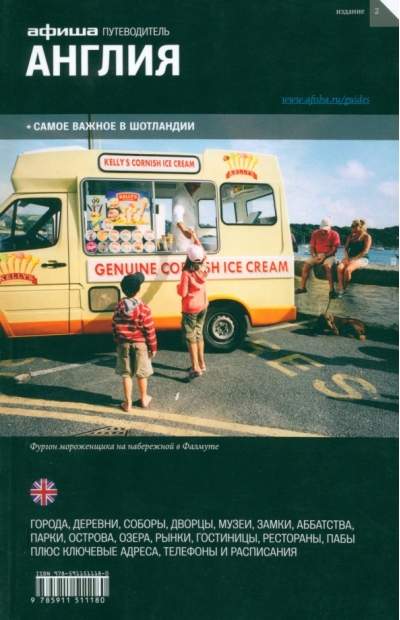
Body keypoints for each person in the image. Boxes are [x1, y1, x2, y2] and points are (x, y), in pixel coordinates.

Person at [112, 272, 157, 411]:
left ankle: (128, 403)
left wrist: (117, 343)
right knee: (142, 374)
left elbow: (114, 327)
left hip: (124, 344)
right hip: (141, 345)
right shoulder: (144, 308)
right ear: (139, 289)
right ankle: (144, 399)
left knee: (127, 374)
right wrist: (153, 347)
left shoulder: (118, 308)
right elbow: (150, 330)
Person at [177, 231, 209, 381]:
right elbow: (201, 251)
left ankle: (195, 367)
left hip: (190, 309)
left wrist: (177, 287)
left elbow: (182, 292)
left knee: (191, 338)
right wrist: (195, 237)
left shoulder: (186, 273)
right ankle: (202, 363)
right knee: (199, 334)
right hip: (203, 306)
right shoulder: (204, 267)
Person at [295, 218, 340, 299]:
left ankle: (332, 290)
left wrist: (325, 256)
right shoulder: (315, 233)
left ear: (331, 227)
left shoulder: (335, 234)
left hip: (329, 255)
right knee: (305, 266)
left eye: (326, 229)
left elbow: (334, 249)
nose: (324, 231)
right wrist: (314, 257)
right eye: (323, 229)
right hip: (317, 254)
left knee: (328, 267)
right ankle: (302, 287)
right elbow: (312, 246)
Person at [336, 219, 372, 298]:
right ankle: (341, 290)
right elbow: (345, 248)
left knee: (348, 270)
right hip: (350, 257)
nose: (351, 227)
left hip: (362, 258)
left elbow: (365, 251)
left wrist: (354, 259)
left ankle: (342, 290)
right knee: (339, 268)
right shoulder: (351, 236)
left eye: (353, 226)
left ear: (359, 227)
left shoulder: (366, 237)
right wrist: (347, 257)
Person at [171, 182, 201, 251]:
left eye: (198, 187)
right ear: (188, 182)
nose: (195, 188)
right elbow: (177, 214)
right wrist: (184, 231)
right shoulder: (181, 196)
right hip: (182, 241)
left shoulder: (189, 194)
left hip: (188, 240)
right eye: (194, 185)